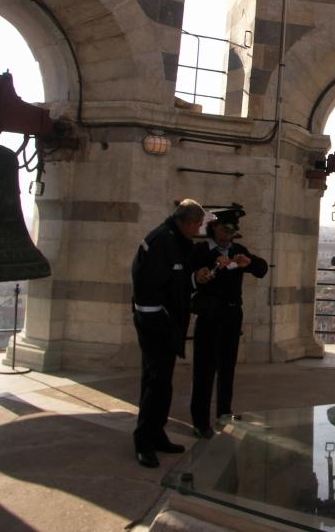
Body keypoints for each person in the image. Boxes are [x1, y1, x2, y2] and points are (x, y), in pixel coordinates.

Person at [131, 199, 212, 468]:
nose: (198, 230)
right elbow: (147, 285)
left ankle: (156, 433)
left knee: (162, 382)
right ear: (187, 222)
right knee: (156, 382)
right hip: (156, 324)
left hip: (165, 323)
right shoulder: (162, 241)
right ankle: (144, 441)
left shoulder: (175, 241)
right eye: (198, 225)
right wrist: (160, 320)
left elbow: (175, 281)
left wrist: (194, 279)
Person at [190, 206, 268, 438]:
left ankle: (224, 414)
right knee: (204, 370)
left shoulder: (237, 251)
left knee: (227, 369)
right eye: (225, 231)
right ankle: (200, 421)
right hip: (209, 317)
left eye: (232, 232)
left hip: (232, 316)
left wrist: (248, 263)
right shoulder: (200, 251)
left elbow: (261, 269)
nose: (228, 236)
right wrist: (204, 273)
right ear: (214, 227)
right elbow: (186, 279)